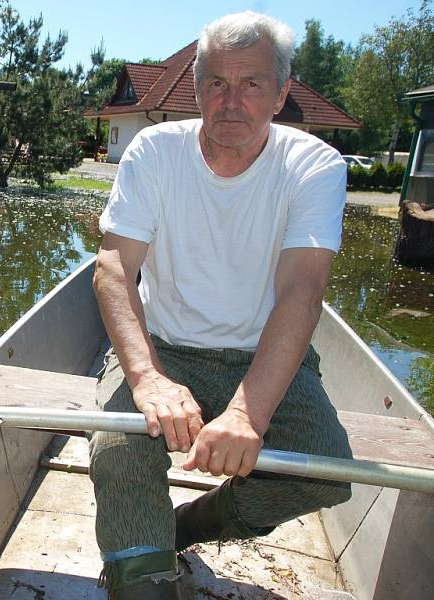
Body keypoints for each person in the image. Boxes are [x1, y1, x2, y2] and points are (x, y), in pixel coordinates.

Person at [90, 11, 353, 599]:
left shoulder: (314, 165)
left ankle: (187, 526)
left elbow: (301, 293)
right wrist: (148, 377)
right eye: (217, 83)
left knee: (328, 474)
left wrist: (246, 416)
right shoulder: (154, 151)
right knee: (116, 447)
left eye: (253, 84)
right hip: (163, 346)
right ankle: (142, 577)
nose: (232, 102)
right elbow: (113, 270)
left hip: (262, 354)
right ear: (197, 87)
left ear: (282, 92)